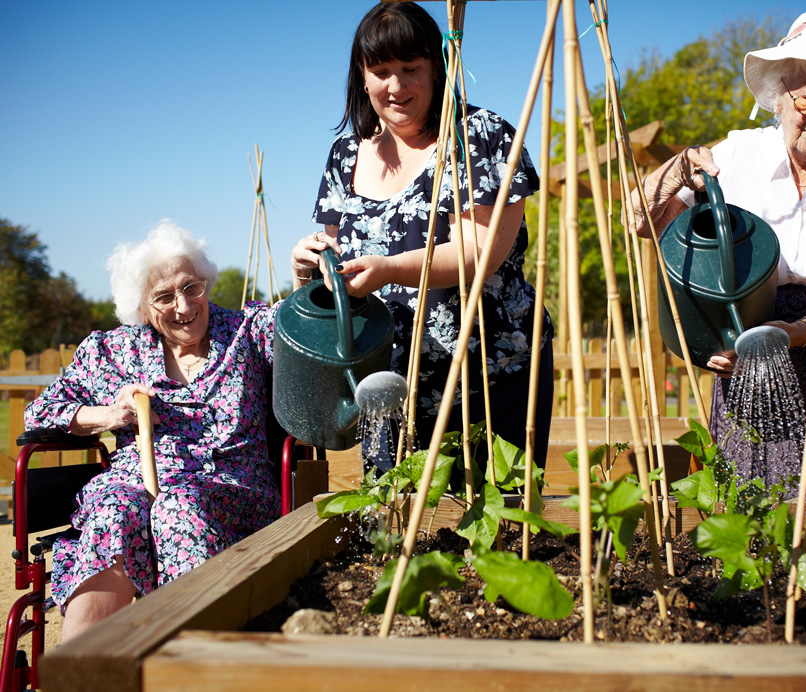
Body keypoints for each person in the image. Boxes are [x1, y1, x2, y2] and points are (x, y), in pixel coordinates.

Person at [632, 11, 806, 495]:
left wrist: (798, 332)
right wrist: (677, 170)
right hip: (751, 333)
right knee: (751, 491)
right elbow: (640, 222)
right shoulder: (738, 154)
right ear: (779, 97)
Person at [291, 2, 553, 480]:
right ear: (362, 76)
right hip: (387, 384)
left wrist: (390, 270)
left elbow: (483, 251)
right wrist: (310, 264)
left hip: (487, 373)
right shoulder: (345, 155)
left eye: (410, 69)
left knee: (494, 530)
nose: (396, 86)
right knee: (394, 529)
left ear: (437, 67)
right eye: (381, 71)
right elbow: (339, 261)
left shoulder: (480, 136)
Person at [23, 220, 291, 642]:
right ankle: (82, 669)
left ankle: (194, 663)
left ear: (207, 284)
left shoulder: (245, 332)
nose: (183, 307)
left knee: (176, 507)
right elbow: (40, 413)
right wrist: (110, 414)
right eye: (164, 297)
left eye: (191, 288)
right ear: (142, 308)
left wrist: (310, 277)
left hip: (230, 492)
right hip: (135, 485)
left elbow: (300, 326)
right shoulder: (112, 352)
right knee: (114, 510)